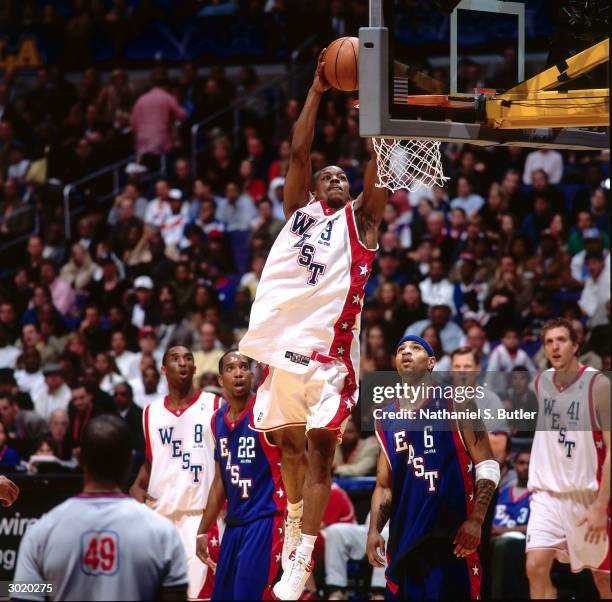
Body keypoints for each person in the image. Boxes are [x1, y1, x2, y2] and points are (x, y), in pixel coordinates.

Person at [238, 50, 388, 600]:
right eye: (326, 175)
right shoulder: (297, 213)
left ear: (348, 193)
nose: (332, 177)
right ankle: (297, 522)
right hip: (281, 351)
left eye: (340, 177)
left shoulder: (362, 222)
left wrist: (372, 118)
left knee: (322, 449)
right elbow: (300, 148)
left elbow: (379, 171)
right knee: (290, 449)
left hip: (330, 356)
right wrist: (318, 89)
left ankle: (302, 550)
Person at [367, 335, 499, 599]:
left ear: (431, 363)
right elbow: (384, 486)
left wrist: (476, 520)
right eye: (401, 349)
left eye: (416, 348)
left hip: (450, 536)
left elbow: (488, 465)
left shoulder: (455, 402)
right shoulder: (385, 417)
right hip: (405, 538)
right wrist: (373, 531)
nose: (406, 352)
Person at [13, 415, 188, 601]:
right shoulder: (163, 533)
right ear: (130, 461)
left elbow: (25, 594)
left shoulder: (41, 532)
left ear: (79, 458)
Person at [129, 345, 224, 600]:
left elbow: (227, 460)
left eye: (188, 359)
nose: (182, 363)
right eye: (175, 359)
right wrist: (137, 488)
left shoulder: (215, 404)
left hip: (201, 517)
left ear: (194, 368)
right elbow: (150, 462)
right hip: (159, 518)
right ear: (163, 369)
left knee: (200, 595)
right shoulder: (150, 412)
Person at [526, 318, 610, 598]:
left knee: (603, 579)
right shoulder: (539, 383)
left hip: (587, 496)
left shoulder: (598, 386)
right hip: (546, 495)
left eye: (561, 340)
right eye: (549, 342)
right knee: (535, 566)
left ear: (576, 345)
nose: (554, 347)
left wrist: (601, 505)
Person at [196, 350, 285, 600]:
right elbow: (219, 483)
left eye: (244, 367)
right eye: (231, 368)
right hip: (234, 524)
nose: (238, 373)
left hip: (265, 520)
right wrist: (203, 530)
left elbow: (297, 460)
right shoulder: (217, 421)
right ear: (221, 379)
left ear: (252, 375)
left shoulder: (267, 411)